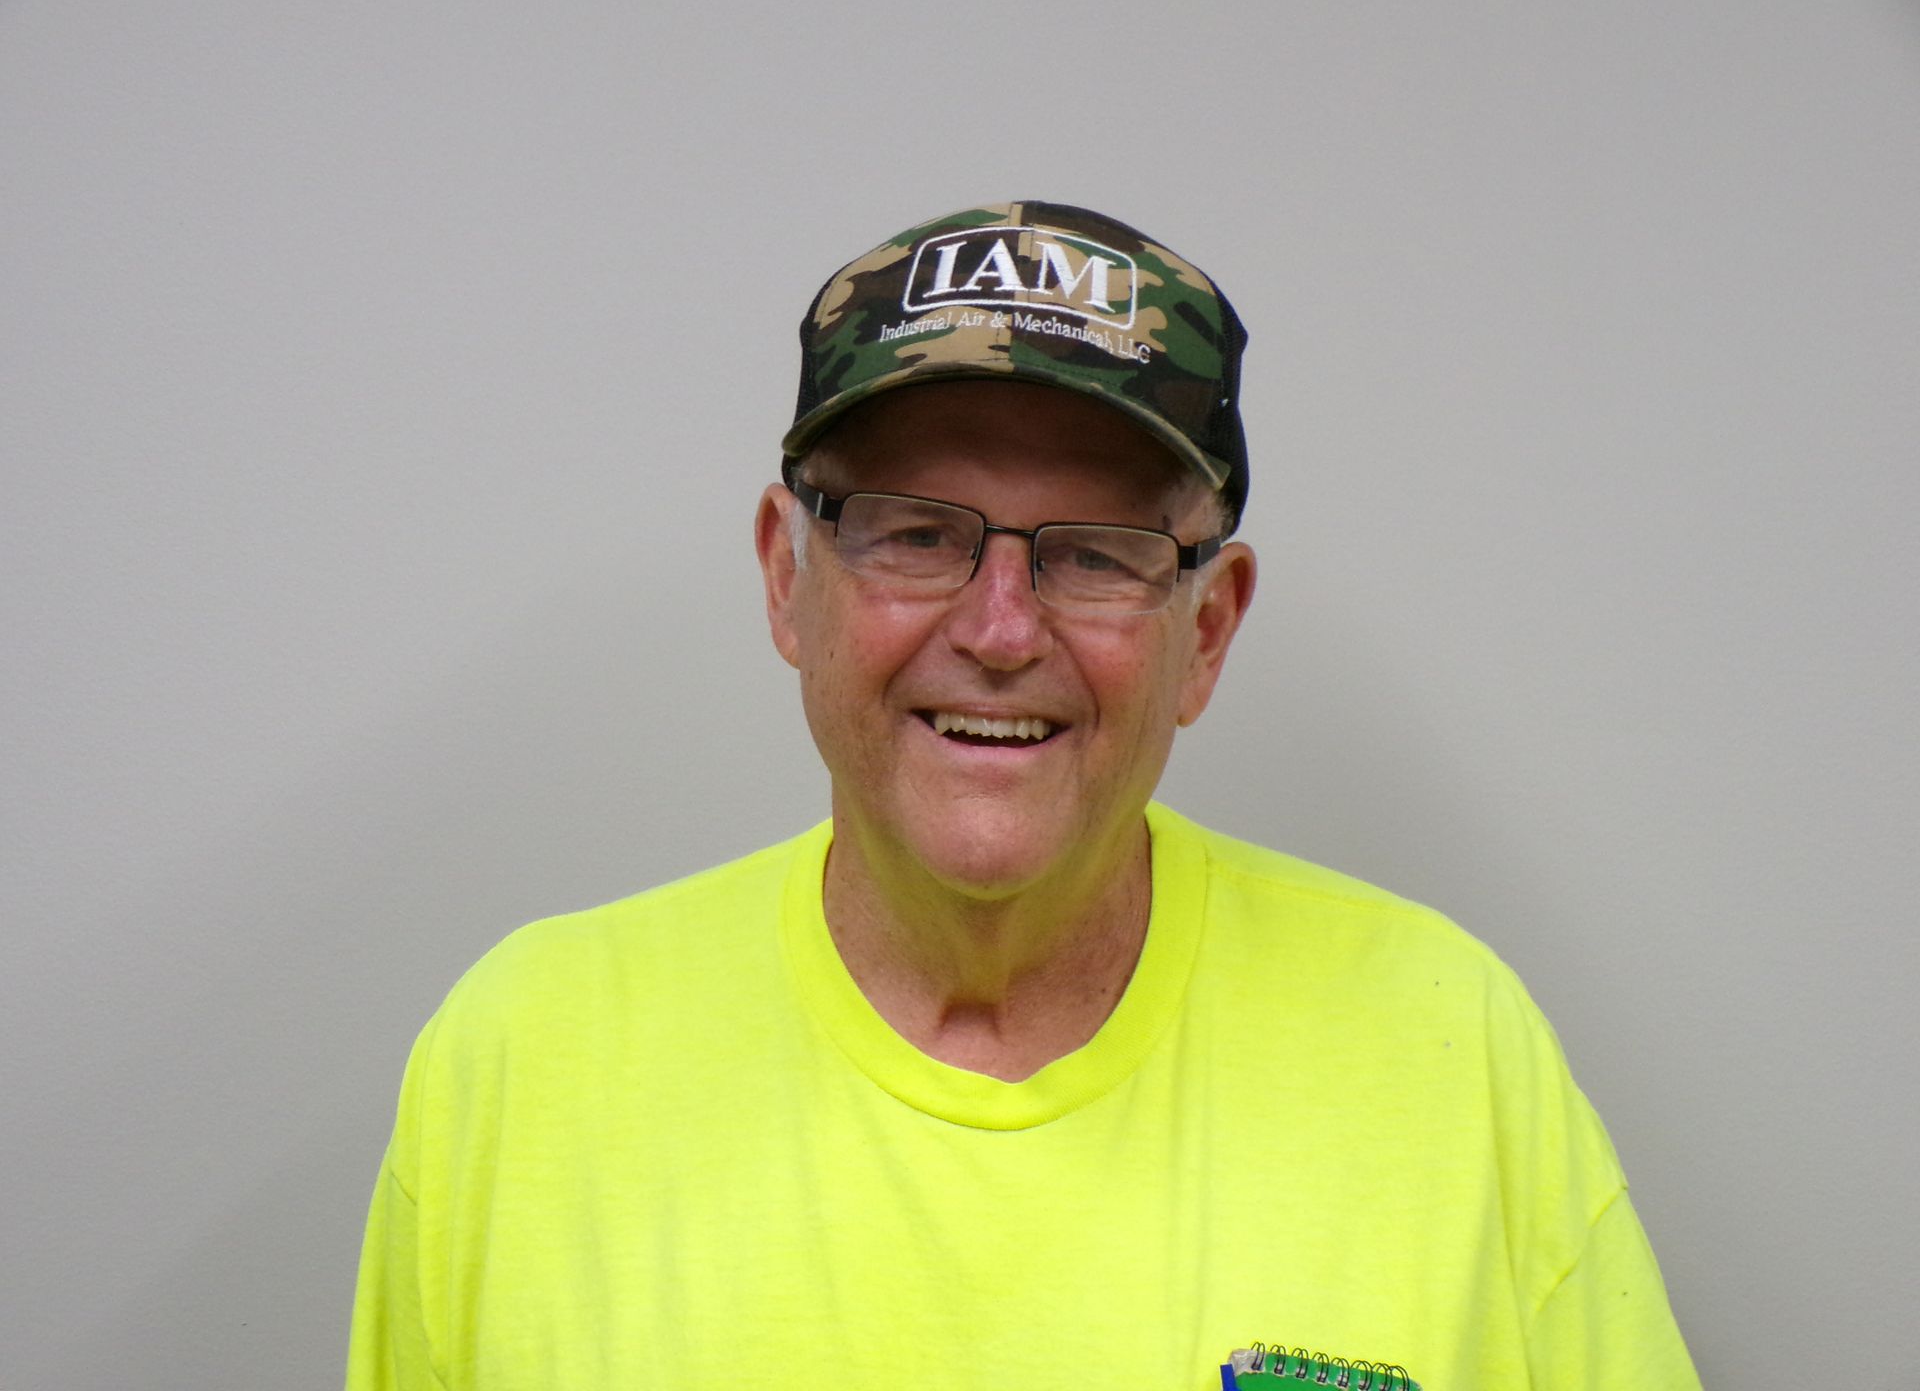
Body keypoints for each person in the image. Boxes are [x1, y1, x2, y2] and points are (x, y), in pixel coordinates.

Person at [344, 202, 1700, 1389]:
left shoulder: (1450, 1057)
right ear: (784, 580)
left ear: (1207, 631)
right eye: (917, 533)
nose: (1000, 628)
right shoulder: (522, 1069)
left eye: (1097, 553)